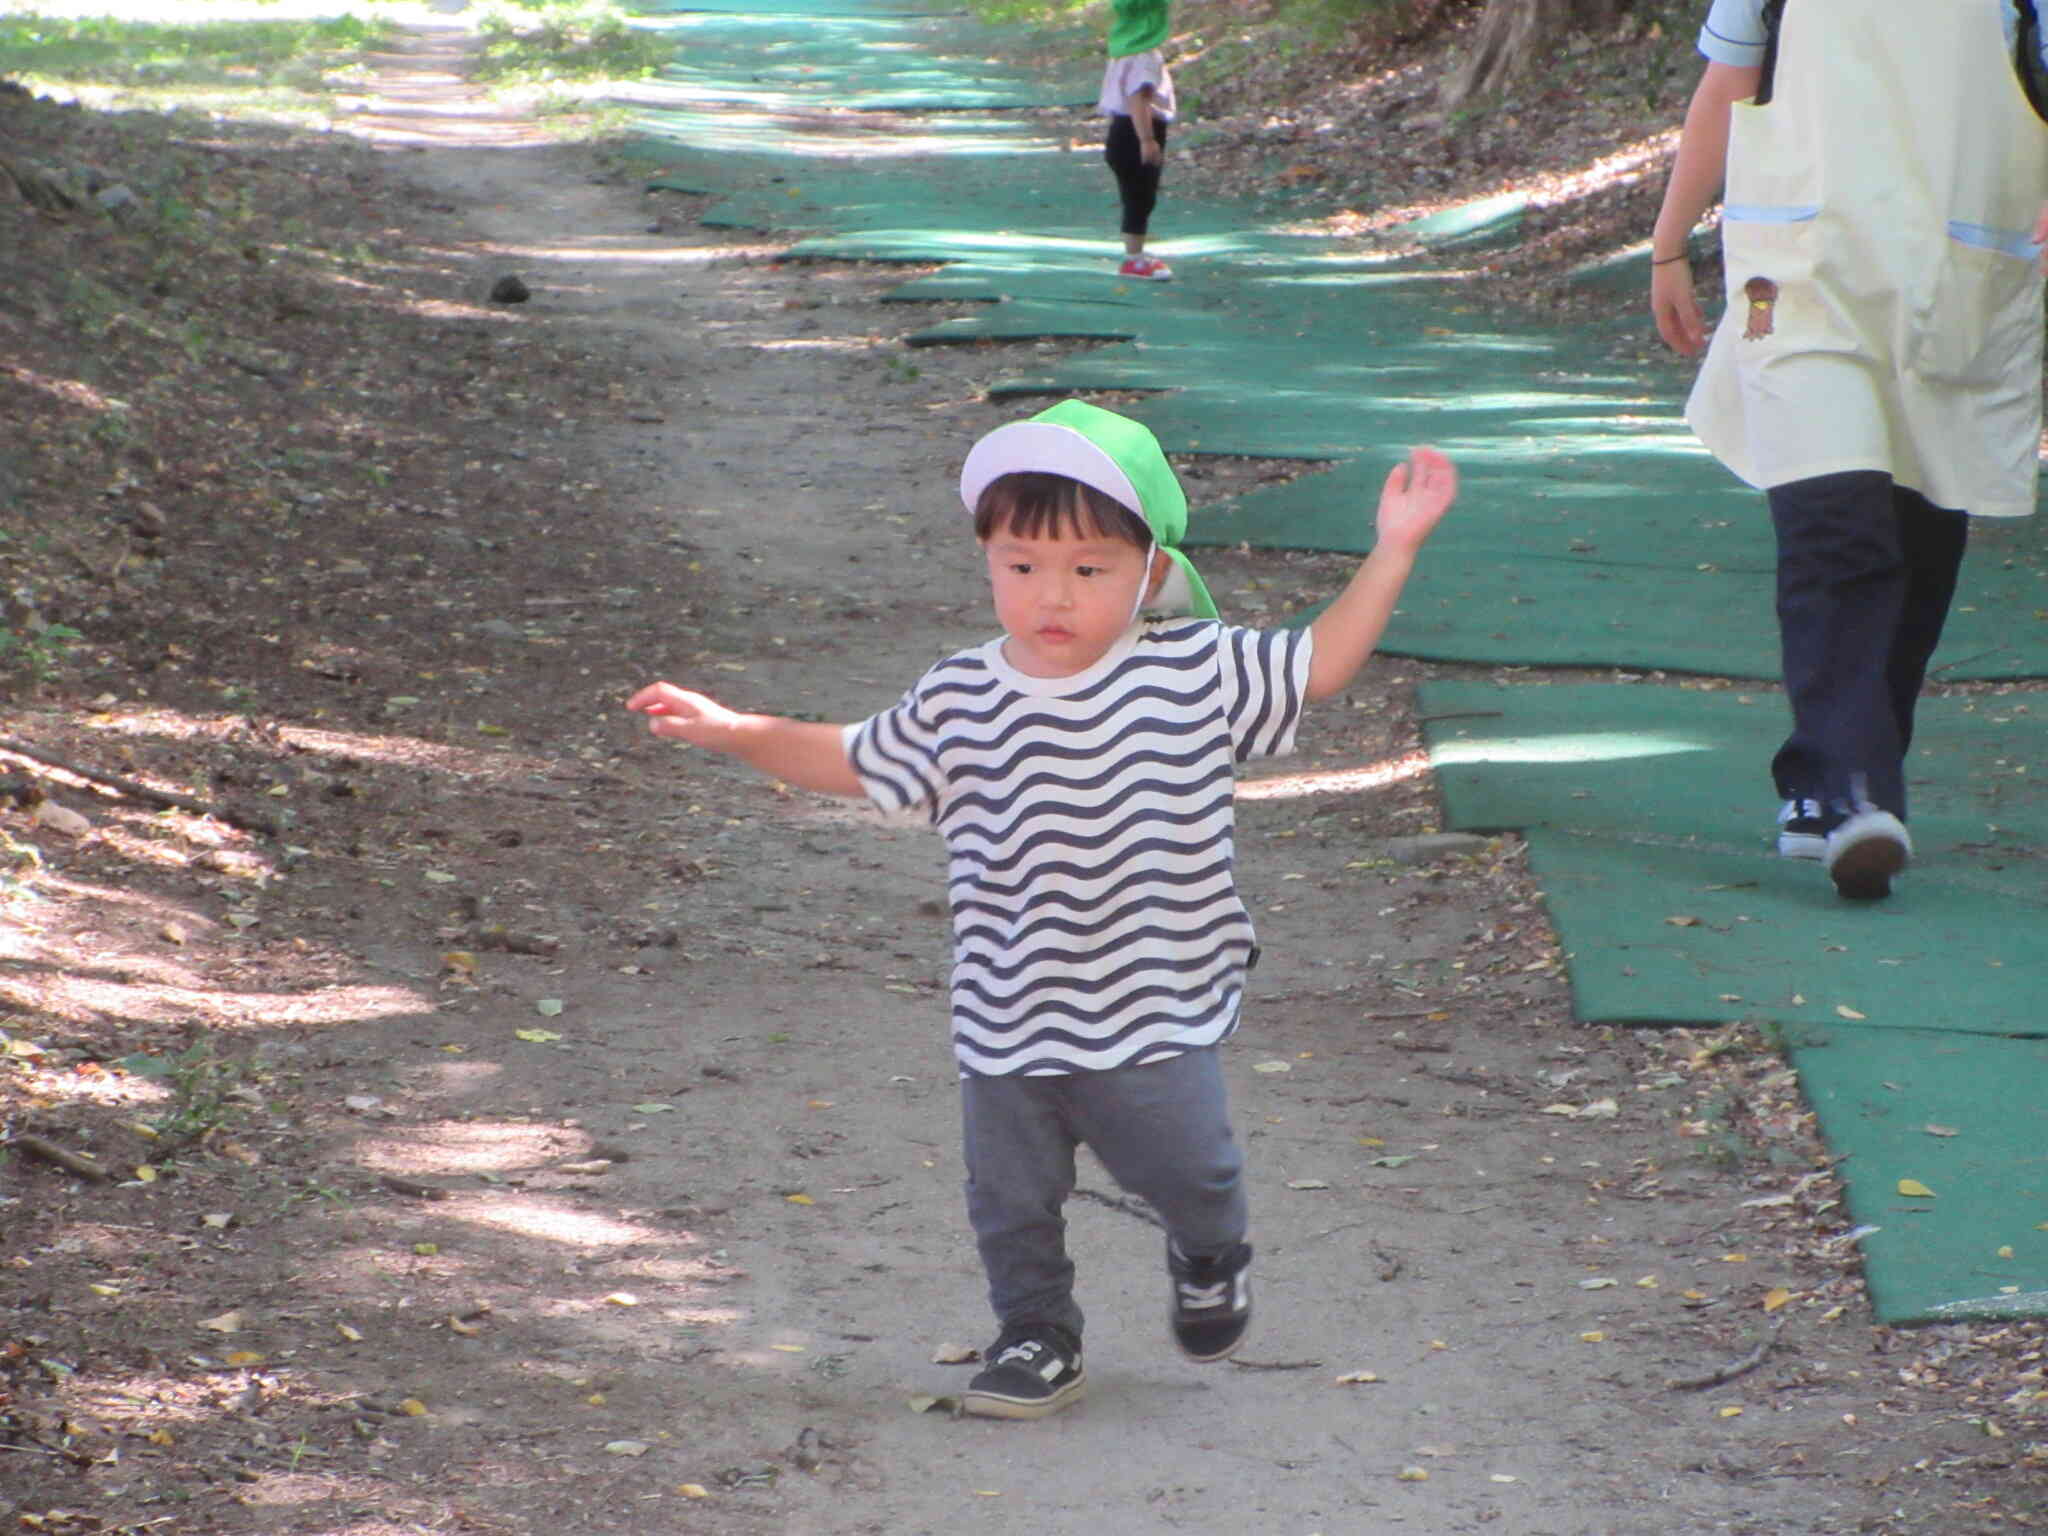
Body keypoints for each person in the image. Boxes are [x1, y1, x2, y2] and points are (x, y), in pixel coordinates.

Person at [627, 400, 1455, 1419]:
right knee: (1009, 1202)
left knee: (1188, 1172)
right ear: (988, 562)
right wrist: (735, 729)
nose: (1050, 594)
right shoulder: (960, 695)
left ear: (1149, 573)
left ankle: (1207, 1245)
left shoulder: (1196, 674)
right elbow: (849, 758)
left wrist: (1393, 549)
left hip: (1155, 1008)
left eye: (1087, 568)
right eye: (1021, 566)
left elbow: (1319, 663)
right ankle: (1034, 1335)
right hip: (1007, 1009)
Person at [1648, 0, 2048, 900]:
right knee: (1837, 530)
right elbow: (1726, 84)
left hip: (1955, 293)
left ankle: (1830, 776)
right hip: (1795, 278)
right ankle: (1856, 792)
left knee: (1918, 545)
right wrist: (1668, 244)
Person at [1100, 0, 1177, 280]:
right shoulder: (1144, 58)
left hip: (1120, 131)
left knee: (1136, 195)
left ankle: (1136, 255)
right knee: (1140, 197)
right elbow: (1138, 99)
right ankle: (1134, 259)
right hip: (1137, 131)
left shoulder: (1123, 54)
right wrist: (1147, 139)